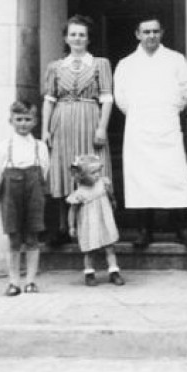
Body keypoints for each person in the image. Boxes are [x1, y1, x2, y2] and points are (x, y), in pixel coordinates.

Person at [113, 17, 187, 250]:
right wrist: (140, 114)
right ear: (137, 34)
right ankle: (144, 231)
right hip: (139, 129)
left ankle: (182, 230)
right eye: (146, 32)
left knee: (176, 178)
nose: (151, 36)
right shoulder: (126, 64)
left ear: (162, 33)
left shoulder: (175, 59)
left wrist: (167, 111)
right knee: (141, 179)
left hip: (167, 127)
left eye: (155, 31)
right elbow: (121, 97)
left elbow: (184, 91)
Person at [42, 15, 113, 247]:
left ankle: (92, 227)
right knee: (63, 171)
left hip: (89, 120)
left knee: (90, 171)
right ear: (66, 38)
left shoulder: (99, 64)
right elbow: (49, 100)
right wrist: (45, 129)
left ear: (88, 38)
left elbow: (107, 99)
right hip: (62, 123)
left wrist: (102, 127)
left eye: (82, 34)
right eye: (73, 34)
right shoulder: (55, 67)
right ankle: (62, 228)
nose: (77, 38)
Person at [0, 100, 50, 296]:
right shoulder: (3, 147)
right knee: (14, 237)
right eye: (19, 119)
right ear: (11, 120)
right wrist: (0, 196)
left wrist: (38, 190)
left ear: (34, 122)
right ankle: (14, 281)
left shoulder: (39, 147)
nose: (23, 123)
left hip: (33, 190)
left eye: (27, 119)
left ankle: (31, 280)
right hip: (10, 193)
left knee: (33, 236)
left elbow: (45, 171)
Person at [67, 154, 124, 286]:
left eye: (98, 171)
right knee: (90, 250)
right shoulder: (80, 193)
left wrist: (113, 201)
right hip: (89, 225)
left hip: (104, 221)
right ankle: (89, 273)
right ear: (82, 175)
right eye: (93, 173)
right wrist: (71, 226)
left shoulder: (103, 184)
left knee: (109, 247)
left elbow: (110, 196)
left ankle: (114, 272)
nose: (97, 175)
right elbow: (72, 210)